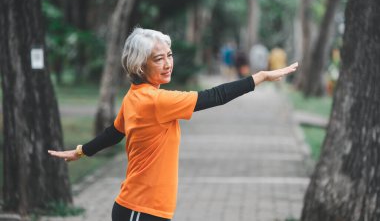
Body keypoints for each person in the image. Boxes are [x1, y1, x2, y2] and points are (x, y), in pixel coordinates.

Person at [48, 28, 298, 221]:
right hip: (141, 210)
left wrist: (82, 150)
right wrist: (261, 77)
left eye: (169, 55)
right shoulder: (157, 101)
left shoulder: (135, 95)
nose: (168, 63)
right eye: (158, 59)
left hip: (144, 208)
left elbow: (115, 132)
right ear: (139, 65)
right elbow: (215, 96)